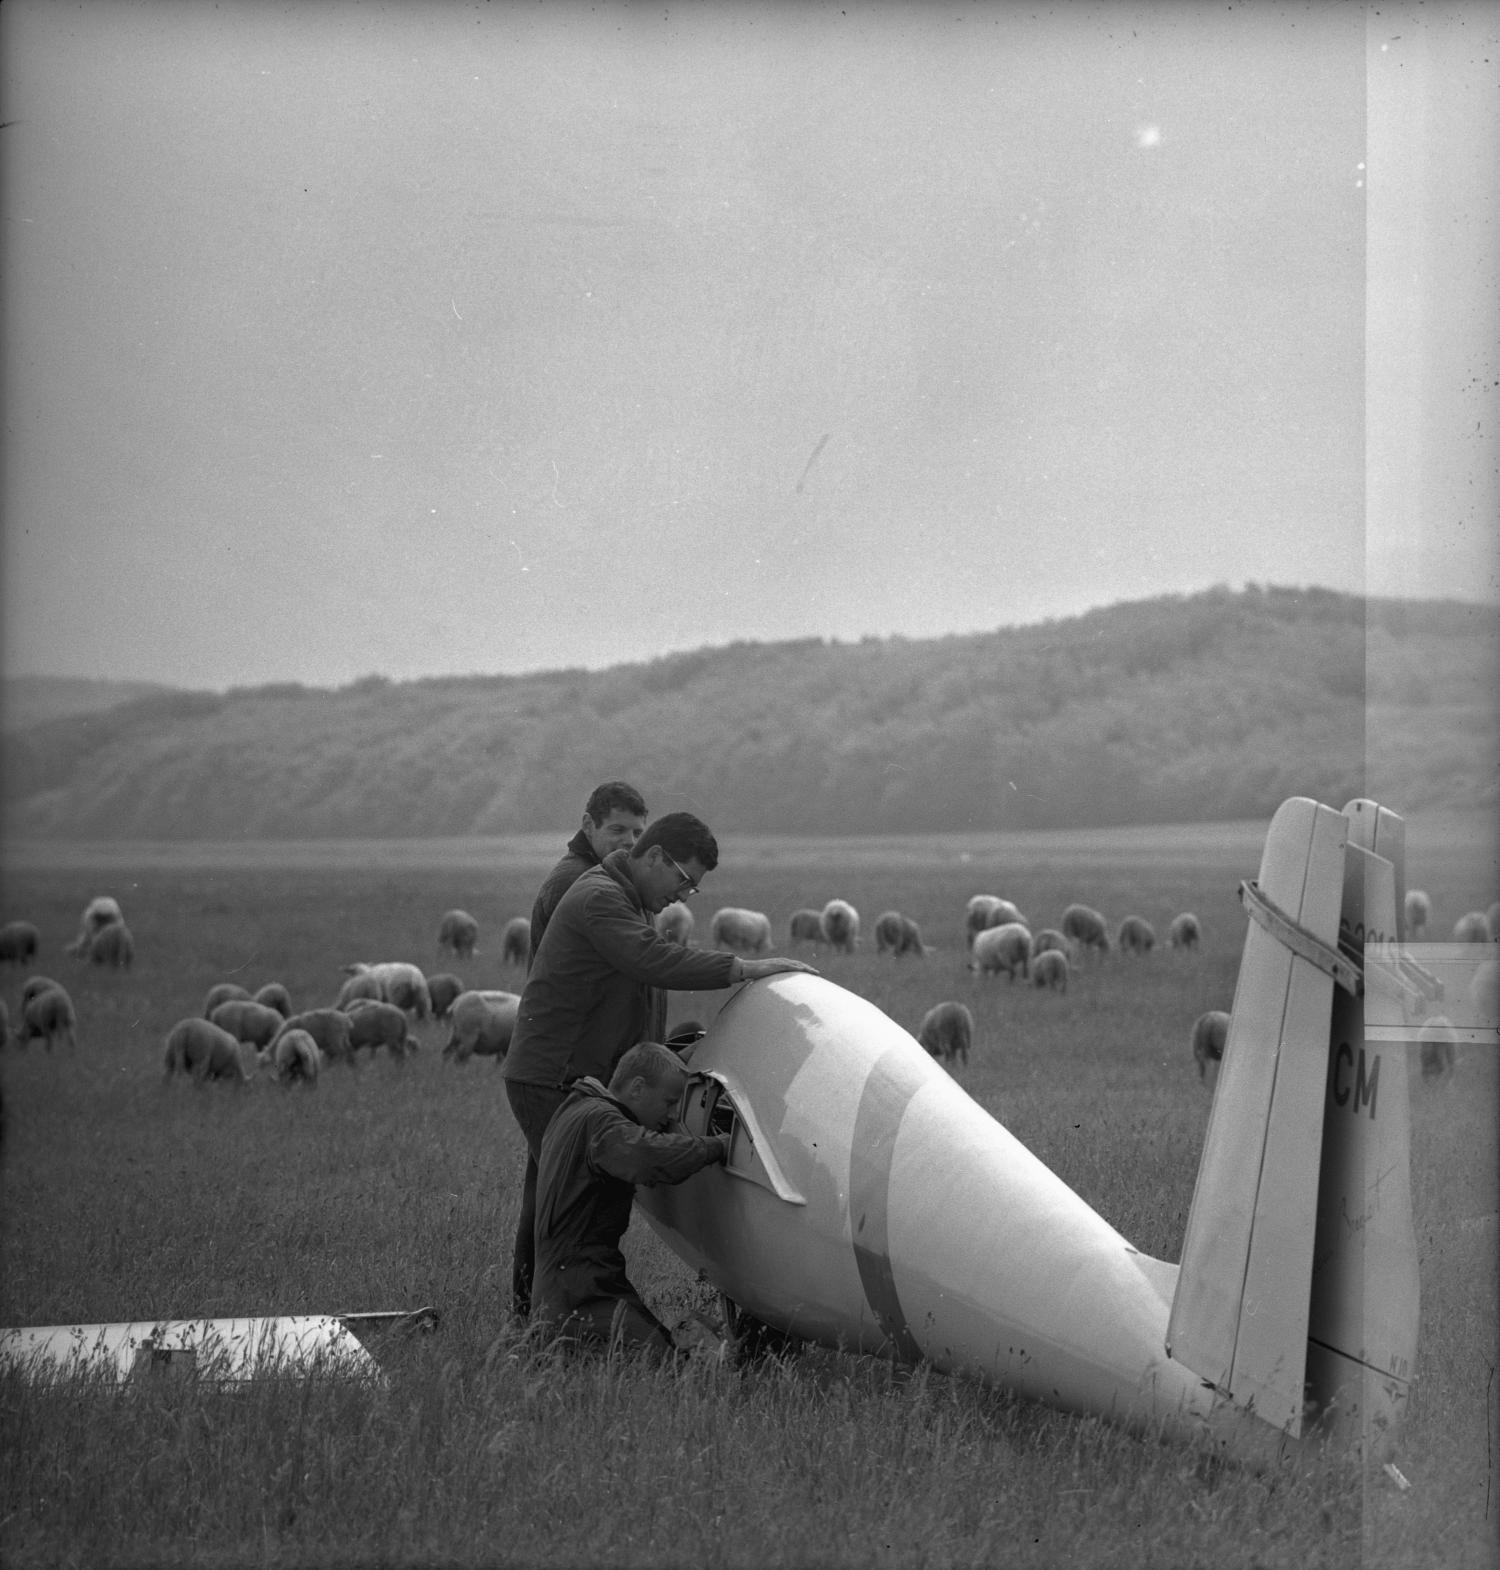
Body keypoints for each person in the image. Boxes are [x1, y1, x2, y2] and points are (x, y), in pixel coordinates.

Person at [502, 809, 816, 1320]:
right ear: (654, 857)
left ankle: (541, 1316)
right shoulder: (599, 897)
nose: (684, 895)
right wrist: (744, 968)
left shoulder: (631, 900)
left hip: (575, 1072)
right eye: (684, 881)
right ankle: (564, 1324)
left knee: (555, 1198)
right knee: (580, 1206)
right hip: (552, 1076)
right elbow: (653, 962)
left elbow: (640, 995)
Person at [531, 1040, 729, 1360]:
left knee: (669, 1355)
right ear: (637, 1088)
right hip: (579, 1294)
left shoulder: (577, 1107)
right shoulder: (603, 1123)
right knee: (667, 1372)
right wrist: (717, 1146)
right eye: (668, 1101)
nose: (671, 1115)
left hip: (577, 1285)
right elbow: (646, 1155)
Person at [529, 781, 649, 960]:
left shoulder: (610, 874)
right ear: (588, 825)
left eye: (637, 833)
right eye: (618, 830)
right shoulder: (574, 880)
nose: (630, 842)